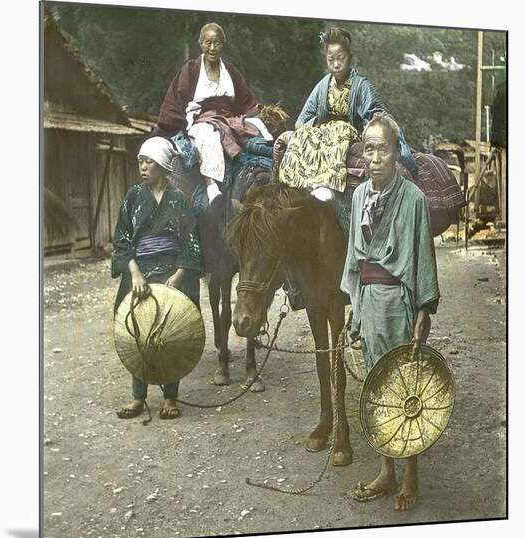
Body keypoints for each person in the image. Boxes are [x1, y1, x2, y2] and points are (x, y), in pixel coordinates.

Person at [341, 113, 440, 511]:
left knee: (406, 390)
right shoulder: (360, 195)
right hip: (367, 301)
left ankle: (411, 473)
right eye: (369, 149)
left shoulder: (413, 198)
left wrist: (423, 309)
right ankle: (386, 470)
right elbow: (352, 256)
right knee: (375, 389)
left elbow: (421, 256)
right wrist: (353, 308)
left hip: (398, 304)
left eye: (383, 148)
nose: (376, 157)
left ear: (396, 153)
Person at [277, 27, 417, 228]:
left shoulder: (361, 85)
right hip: (324, 130)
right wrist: (312, 128)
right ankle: (304, 184)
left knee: (339, 132)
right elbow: (303, 118)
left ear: (350, 57)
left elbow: (377, 113)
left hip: (350, 131)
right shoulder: (323, 85)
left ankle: (328, 185)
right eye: (330, 59)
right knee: (298, 136)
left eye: (340, 58)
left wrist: (371, 131)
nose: (335, 64)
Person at [112, 137, 203, 420]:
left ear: (163, 166)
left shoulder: (179, 201)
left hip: (173, 271)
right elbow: (122, 241)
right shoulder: (133, 197)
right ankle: (138, 396)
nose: (142, 166)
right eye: (140, 161)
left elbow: (191, 243)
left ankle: (170, 396)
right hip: (139, 270)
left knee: (170, 331)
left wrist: (178, 276)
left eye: (148, 161)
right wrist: (135, 273)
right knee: (136, 329)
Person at [152, 22, 273, 210]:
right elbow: (176, 100)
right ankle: (211, 184)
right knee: (209, 135)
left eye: (216, 43)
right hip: (202, 118)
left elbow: (246, 99)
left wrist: (258, 113)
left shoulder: (230, 70)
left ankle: (270, 169)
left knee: (256, 126)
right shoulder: (191, 69)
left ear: (222, 45)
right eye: (208, 43)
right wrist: (166, 128)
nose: (212, 48)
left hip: (229, 117)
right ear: (200, 44)